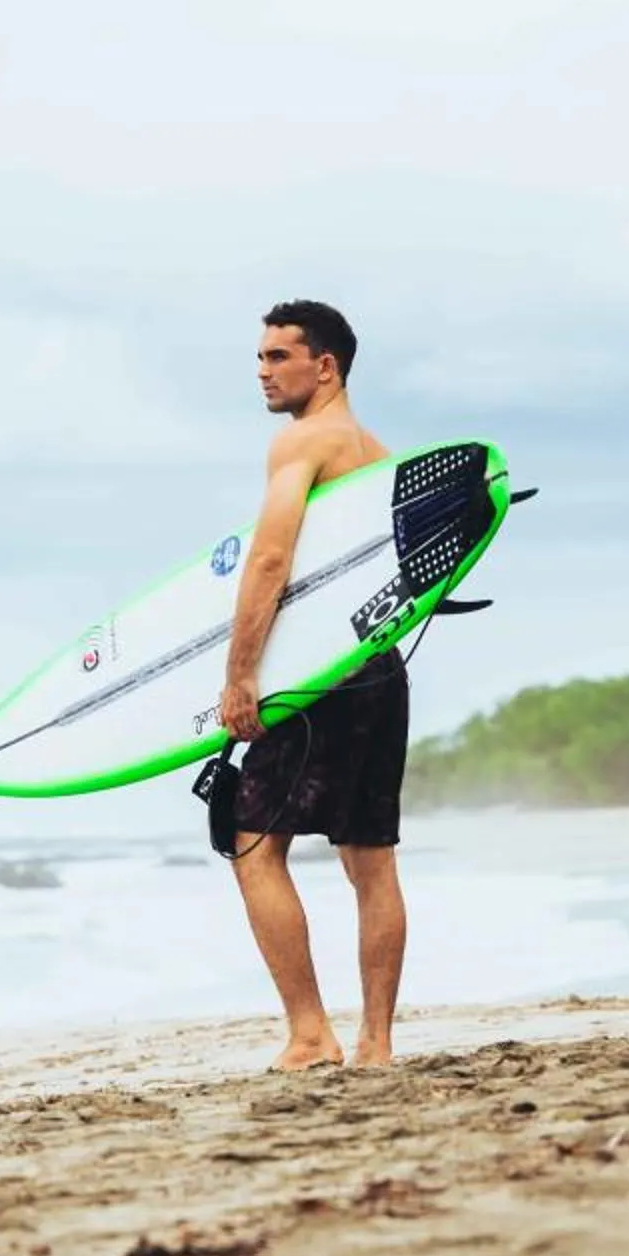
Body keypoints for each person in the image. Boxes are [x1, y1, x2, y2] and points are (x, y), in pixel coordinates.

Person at [218, 300, 409, 1070]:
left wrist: (241, 674)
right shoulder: (377, 454)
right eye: (260, 358)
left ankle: (309, 1034)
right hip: (379, 667)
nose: (262, 372)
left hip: (318, 680)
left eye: (278, 357)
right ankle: (376, 1044)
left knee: (253, 844)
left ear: (323, 365)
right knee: (371, 861)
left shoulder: (300, 442)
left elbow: (271, 559)